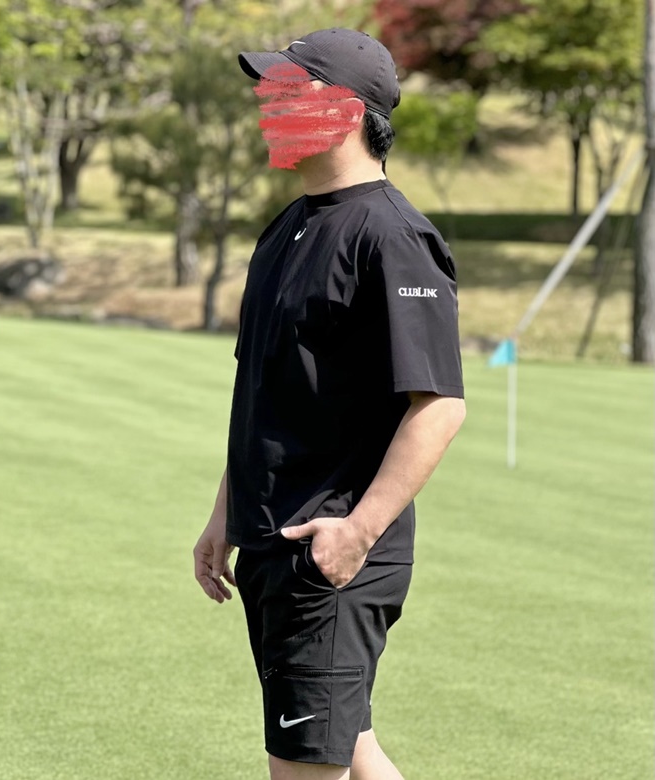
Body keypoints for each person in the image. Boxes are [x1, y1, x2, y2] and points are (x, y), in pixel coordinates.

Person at [193, 28, 466, 780]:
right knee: (352, 750)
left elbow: (439, 406)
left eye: (288, 92)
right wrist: (225, 514)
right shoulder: (287, 228)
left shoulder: (394, 237)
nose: (267, 106)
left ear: (345, 111)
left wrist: (356, 534)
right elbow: (268, 394)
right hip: (273, 543)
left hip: (332, 550)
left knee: (306, 767)